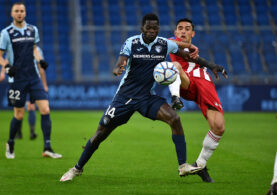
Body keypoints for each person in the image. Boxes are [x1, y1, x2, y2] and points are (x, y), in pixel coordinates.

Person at [60, 13, 226, 182]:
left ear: (158, 29)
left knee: (174, 119)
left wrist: (210, 64)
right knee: (101, 133)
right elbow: (120, 61)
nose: (152, 31)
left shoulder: (164, 44)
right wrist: (118, 69)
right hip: (124, 97)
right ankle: (77, 168)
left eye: (155, 28)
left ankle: (183, 165)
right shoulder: (132, 42)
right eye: (149, 28)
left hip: (147, 97)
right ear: (142, 28)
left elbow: (188, 54)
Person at [168, 18, 228, 182]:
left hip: (203, 83)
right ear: (175, 33)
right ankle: (175, 98)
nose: (183, 31)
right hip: (185, 81)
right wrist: (211, 64)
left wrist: (210, 66)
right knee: (174, 67)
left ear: (192, 33)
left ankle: (200, 165)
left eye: (187, 29)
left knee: (218, 127)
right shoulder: (173, 43)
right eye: (180, 28)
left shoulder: (194, 51)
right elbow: (177, 49)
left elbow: (193, 58)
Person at [0, 2, 61, 159]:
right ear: (12, 14)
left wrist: (40, 60)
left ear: (25, 13)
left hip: (34, 77)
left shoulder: (32, 29)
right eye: (16, 11)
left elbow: (34, 48)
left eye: (22, 11)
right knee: (19, 115)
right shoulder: (6, 33)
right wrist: (7, 67)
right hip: (17, 79)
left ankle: (47, 147)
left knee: (45, 109)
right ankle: (11, 143)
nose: (19, 13)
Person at [15, 46, 48, 140]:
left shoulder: (20, 46)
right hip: (31, 81)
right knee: (28, 106)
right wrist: (44, 84)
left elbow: (41, 68)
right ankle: (31, 132)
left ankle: (20, 133)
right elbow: (41, 69)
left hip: (24, 80)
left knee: (23, 106)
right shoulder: (37, 49)